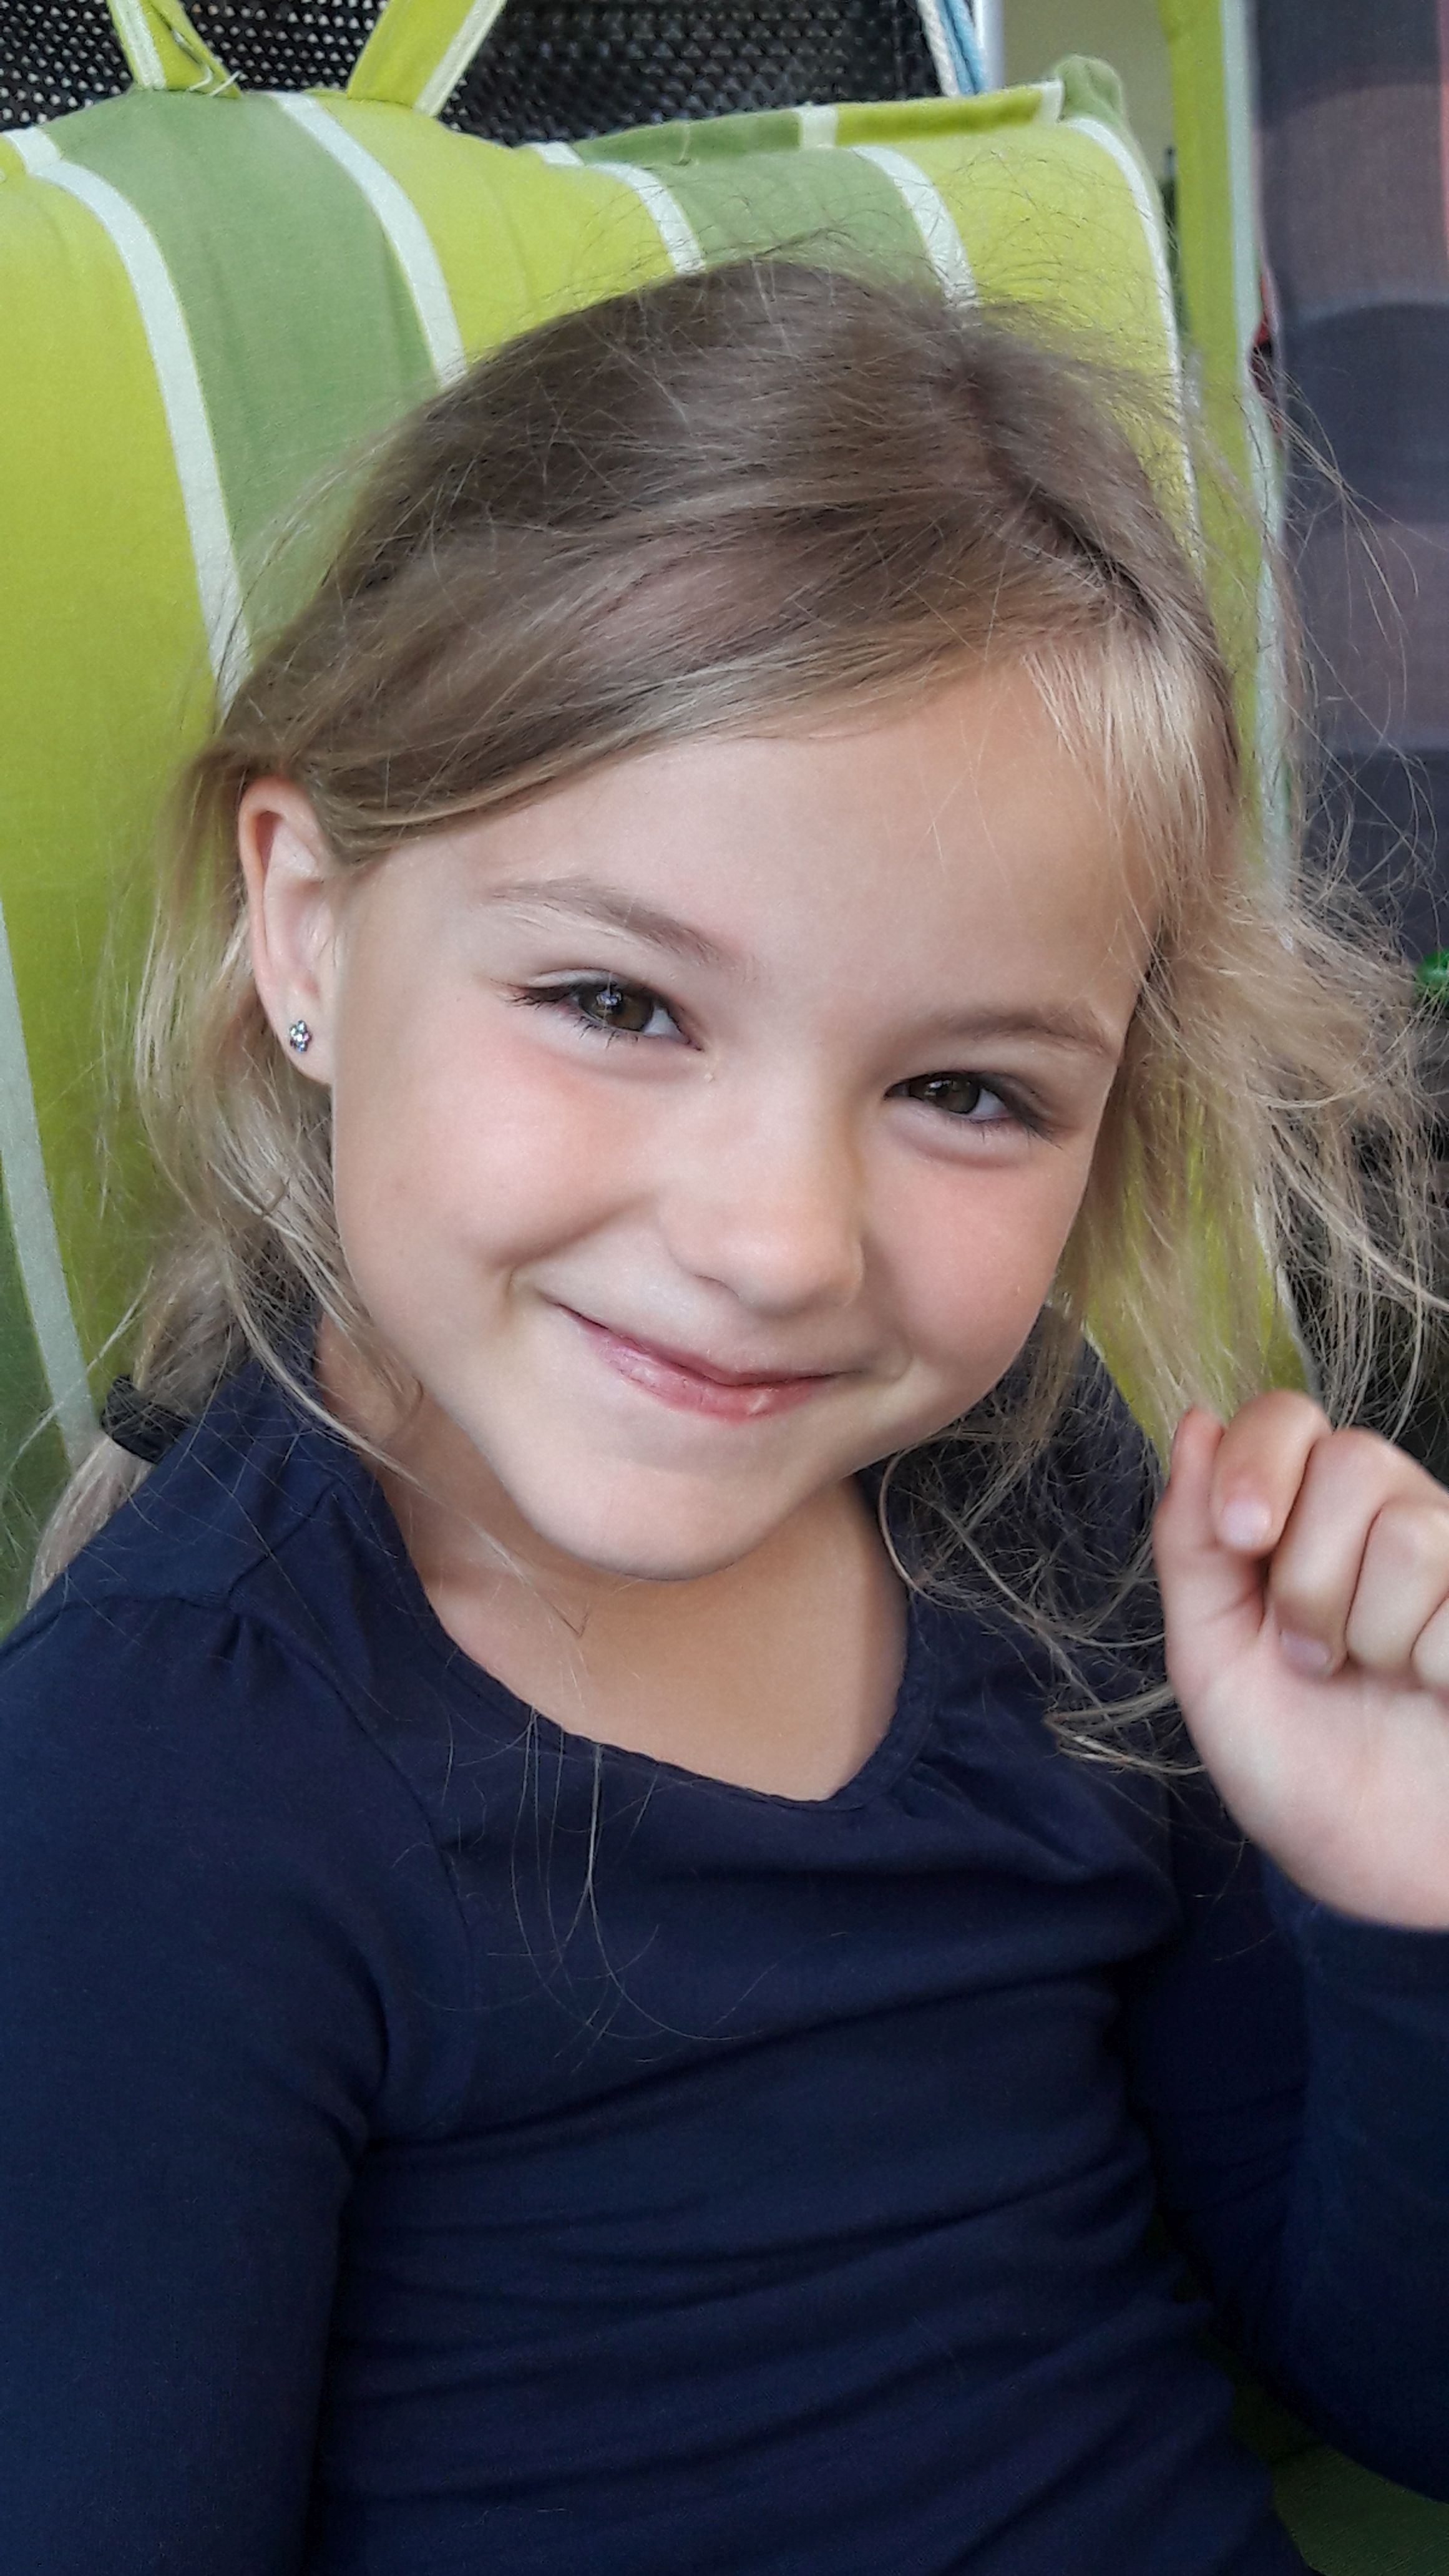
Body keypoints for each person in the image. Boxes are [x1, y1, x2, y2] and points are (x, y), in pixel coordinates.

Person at [2, 259, 1447, 2576]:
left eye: (965, 1090)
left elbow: (1394, 2389)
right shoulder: (166, 1773)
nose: (779, 1241)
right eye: (616, 1002)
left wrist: (1395, 1902)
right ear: (307, 929)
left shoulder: (1030, 1509)